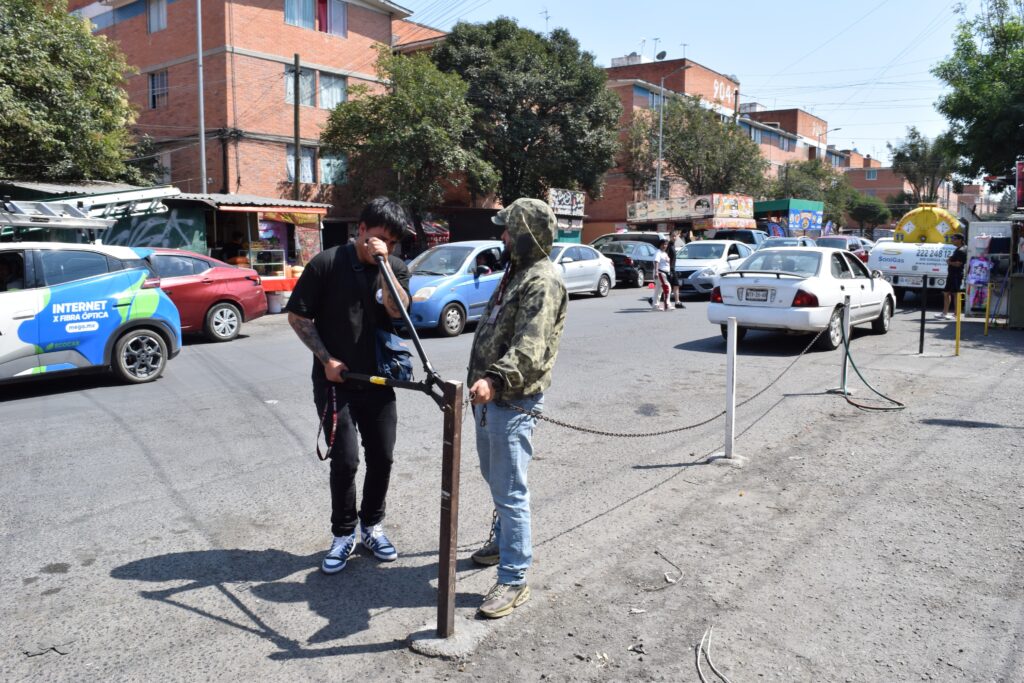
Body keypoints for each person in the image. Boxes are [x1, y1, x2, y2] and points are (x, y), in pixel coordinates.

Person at [285, 197, 411, 574]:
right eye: (376, 237)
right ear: (360, 229)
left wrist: (385, 265)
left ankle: (372, 525)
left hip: (379, 377)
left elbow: (397, 310)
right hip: (335, 380)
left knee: (383, 456)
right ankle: (343, 533)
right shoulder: (326, 264)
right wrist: (327, 361)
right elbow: (298, 317)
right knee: (346, 460)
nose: (381, 246)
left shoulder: (396, 268)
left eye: (390, 241)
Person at [467, 198, 568, 619]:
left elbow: (531, 346)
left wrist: (493, 380)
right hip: (488, 399)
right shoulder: (516, 273)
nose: (502, 236)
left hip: (512, 399)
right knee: (495, 480)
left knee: (511, 492)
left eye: (508, 229)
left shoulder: (542, 281)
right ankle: (502, 541)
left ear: (526, 234)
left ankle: (514, 578)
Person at [938, 233, 967, 320]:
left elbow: (959, 264)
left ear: (960, 240)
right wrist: (951, 258)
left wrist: (949, 262)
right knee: (946, 293)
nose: (952, 240)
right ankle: (944, 313)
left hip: (956, 274)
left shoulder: (961, 250)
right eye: (952, 238)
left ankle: (956, 314)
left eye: (954, 238)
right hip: (952, 274)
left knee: (955, 294)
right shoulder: (959, 249)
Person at [653, 239, 672, 311]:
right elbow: (656, 262)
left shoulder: (664, 253)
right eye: (663, 244)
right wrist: (656, 272)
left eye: (666, 244)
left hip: (664, 273)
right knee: (667, 287)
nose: (665, 246)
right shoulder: (658, 252)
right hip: (660, 272)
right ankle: (667, 304)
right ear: (660, 245)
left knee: (658, 290)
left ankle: (655, 306)